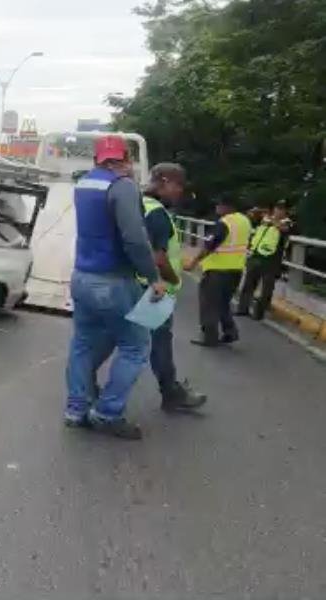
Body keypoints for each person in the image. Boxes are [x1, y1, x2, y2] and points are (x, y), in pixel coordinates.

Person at [64, 135, 167, 440]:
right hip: (112, 280)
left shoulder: (83, 184)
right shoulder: (121, 186)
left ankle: (76, 408)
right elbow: (135, 239)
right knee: (136, 345)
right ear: (125, 159)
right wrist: (152, 278)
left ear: (97, 159)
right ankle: (108, 412)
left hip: (81, 277)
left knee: (82, 343)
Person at [140, 163, 207, 411]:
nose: (180, 192)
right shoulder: (156, 212)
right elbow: (159, 258)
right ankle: (171, 393)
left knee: (120, 340)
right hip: (156, 289)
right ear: (164, 181)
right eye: (178, 185)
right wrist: (174, 280)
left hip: (136, 284)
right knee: (159, 344)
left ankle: (87, 387)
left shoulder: (137, 204)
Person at [185, 197, 253, 346]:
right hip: (236, 270)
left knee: (209, 304)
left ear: (226, 206)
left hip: (217, 271)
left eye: (218, 204)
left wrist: (193, 262)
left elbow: (209, 246)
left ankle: (210, 337)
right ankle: (230, 332)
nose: (216, 207)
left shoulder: (224, 223)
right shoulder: (245, 221)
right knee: (223, 303)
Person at [236, 201, 293, 320]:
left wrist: (270, 219)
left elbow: (284, 229)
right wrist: (257, 213)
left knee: (266, 288)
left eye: (281, 209)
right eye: (277, 208)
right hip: (256, 254)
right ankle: (243, 308)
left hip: (272, 259)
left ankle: (259, 313)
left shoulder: (287, 223)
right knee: (249, 283)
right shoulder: (266, 220)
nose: (278, 211)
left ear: (285, 212)